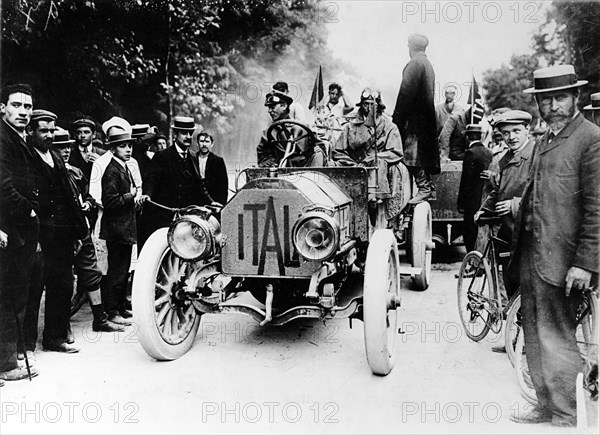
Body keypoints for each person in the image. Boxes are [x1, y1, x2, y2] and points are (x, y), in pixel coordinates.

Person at [509, 65, 599, 427]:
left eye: (560, 97)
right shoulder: (544, 140)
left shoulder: (591, 139)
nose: (553, 106)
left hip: (565, 262)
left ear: (575, 97)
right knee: (532, 332)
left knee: (558, 337)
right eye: (545, 100)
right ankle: (544, 405)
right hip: (533, 255)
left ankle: (566, 413)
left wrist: (585, 263)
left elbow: (596, 207)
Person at [26, 110, 89, 353]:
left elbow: (69, 197)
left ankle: (55, 337)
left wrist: (77, 233)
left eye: (52, 130)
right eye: (44, 130)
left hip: (62, 235)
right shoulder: (27, 157)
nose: (50, 135)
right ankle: (25, 345)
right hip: (39, 235)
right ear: (31, 131)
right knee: (33, 289)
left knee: (62, 286)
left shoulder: (55, 156)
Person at [51, 128, 125, 332]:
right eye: (59, 147)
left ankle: (99, 320)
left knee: (92, 273)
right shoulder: (50, 173)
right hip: (62, 233)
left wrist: (89, 204)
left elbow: (89, 195)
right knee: (62, 280)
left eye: (67, 146)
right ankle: (60, 325)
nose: (65, 151)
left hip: (81, 230)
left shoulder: (75, 171)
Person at [477, 111, 535, 340]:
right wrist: (484, 208)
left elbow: (545, 193)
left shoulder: (537, 156)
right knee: (511, 284)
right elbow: (497, 189)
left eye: (516, 131)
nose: (511, 137)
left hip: (530, 232)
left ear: (527, 131)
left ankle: (528, 343)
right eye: (505, 133)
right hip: (508, 232)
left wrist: (515, 204)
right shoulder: (504, 159)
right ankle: (514, 339)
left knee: (528, 288)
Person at [0, 84, 40, 381]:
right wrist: (28, 210)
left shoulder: (17, 138)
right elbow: (3, 187)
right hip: (11, 228)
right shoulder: (3, 139)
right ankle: (6, 363)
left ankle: (10, 353)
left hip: (19, 229)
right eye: (17, 105)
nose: (23, 111)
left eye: (28, 106)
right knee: (9, 295)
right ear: (4, 108)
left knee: (17, 292)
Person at [332, 88, 405, 224]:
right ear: (362, 105)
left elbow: (396, 152)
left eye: (373, 104)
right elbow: (337, 151)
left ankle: (374, 200)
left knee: (379, 163)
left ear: (379, 106)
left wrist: (372, 159)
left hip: (376, 169)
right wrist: (351, 164)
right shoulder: (351, 126)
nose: (369, 107)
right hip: (354, 167)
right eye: (366, 104)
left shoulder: (389, 127)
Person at [101, 126, 145, 325]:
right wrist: (131, 196)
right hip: (116, 231)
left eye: (129, 146)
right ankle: (112, 311)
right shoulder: (112, 171)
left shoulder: (123, 166)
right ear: (113, 149)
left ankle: (119, 306)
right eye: (122, 146)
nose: (128, 150)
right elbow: (109, 202)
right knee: (116, 273)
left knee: (123, 270)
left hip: (124, 229)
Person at [144, 116, 217, 232]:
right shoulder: (162, 156)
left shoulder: (193, 157)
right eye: (184, 133)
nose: (188, 137)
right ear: (175, 135)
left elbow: (199, 186)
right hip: (165, 216)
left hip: (187, 218)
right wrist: (147, 194)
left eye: (190, 133)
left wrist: (212, 202)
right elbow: (151, 179)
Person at [392, 33, 439, 204]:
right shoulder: (428, 64)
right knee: (421, 155)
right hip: (425, 120)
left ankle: (424, 187)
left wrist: (396, 119)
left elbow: (405, 94)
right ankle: (428, 187)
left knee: (409, 155)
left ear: (410, 47)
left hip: (413, 122)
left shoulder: (414, 64)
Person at [257, 91, 326, 168]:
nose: (269, 111)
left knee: (318, 154)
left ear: (284, 106)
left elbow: (320, 146)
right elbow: (263, 154)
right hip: (281, 171)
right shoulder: (268, 133)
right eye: (269, 108)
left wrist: (314, 151)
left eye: (272, 107)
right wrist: (270, 162)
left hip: (307, 170)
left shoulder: (303, 128)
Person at [457, 124, 492, 253]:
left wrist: (461, 202)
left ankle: (472, 262)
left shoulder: (470, 153)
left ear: (467, 137)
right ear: (480, 136)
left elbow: (466, 180)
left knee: (470, 232)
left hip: (471, 202)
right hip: (486, 199)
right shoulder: (489, 152)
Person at [194, 131, 228, 206]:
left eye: (207, 141)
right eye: (202, 141)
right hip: (195, 201)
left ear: (212, 144)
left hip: (214, 202)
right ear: (197, 143)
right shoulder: (191, 159)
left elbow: (223, 186)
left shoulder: (218, 161)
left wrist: (221, 205)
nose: (204, 144)